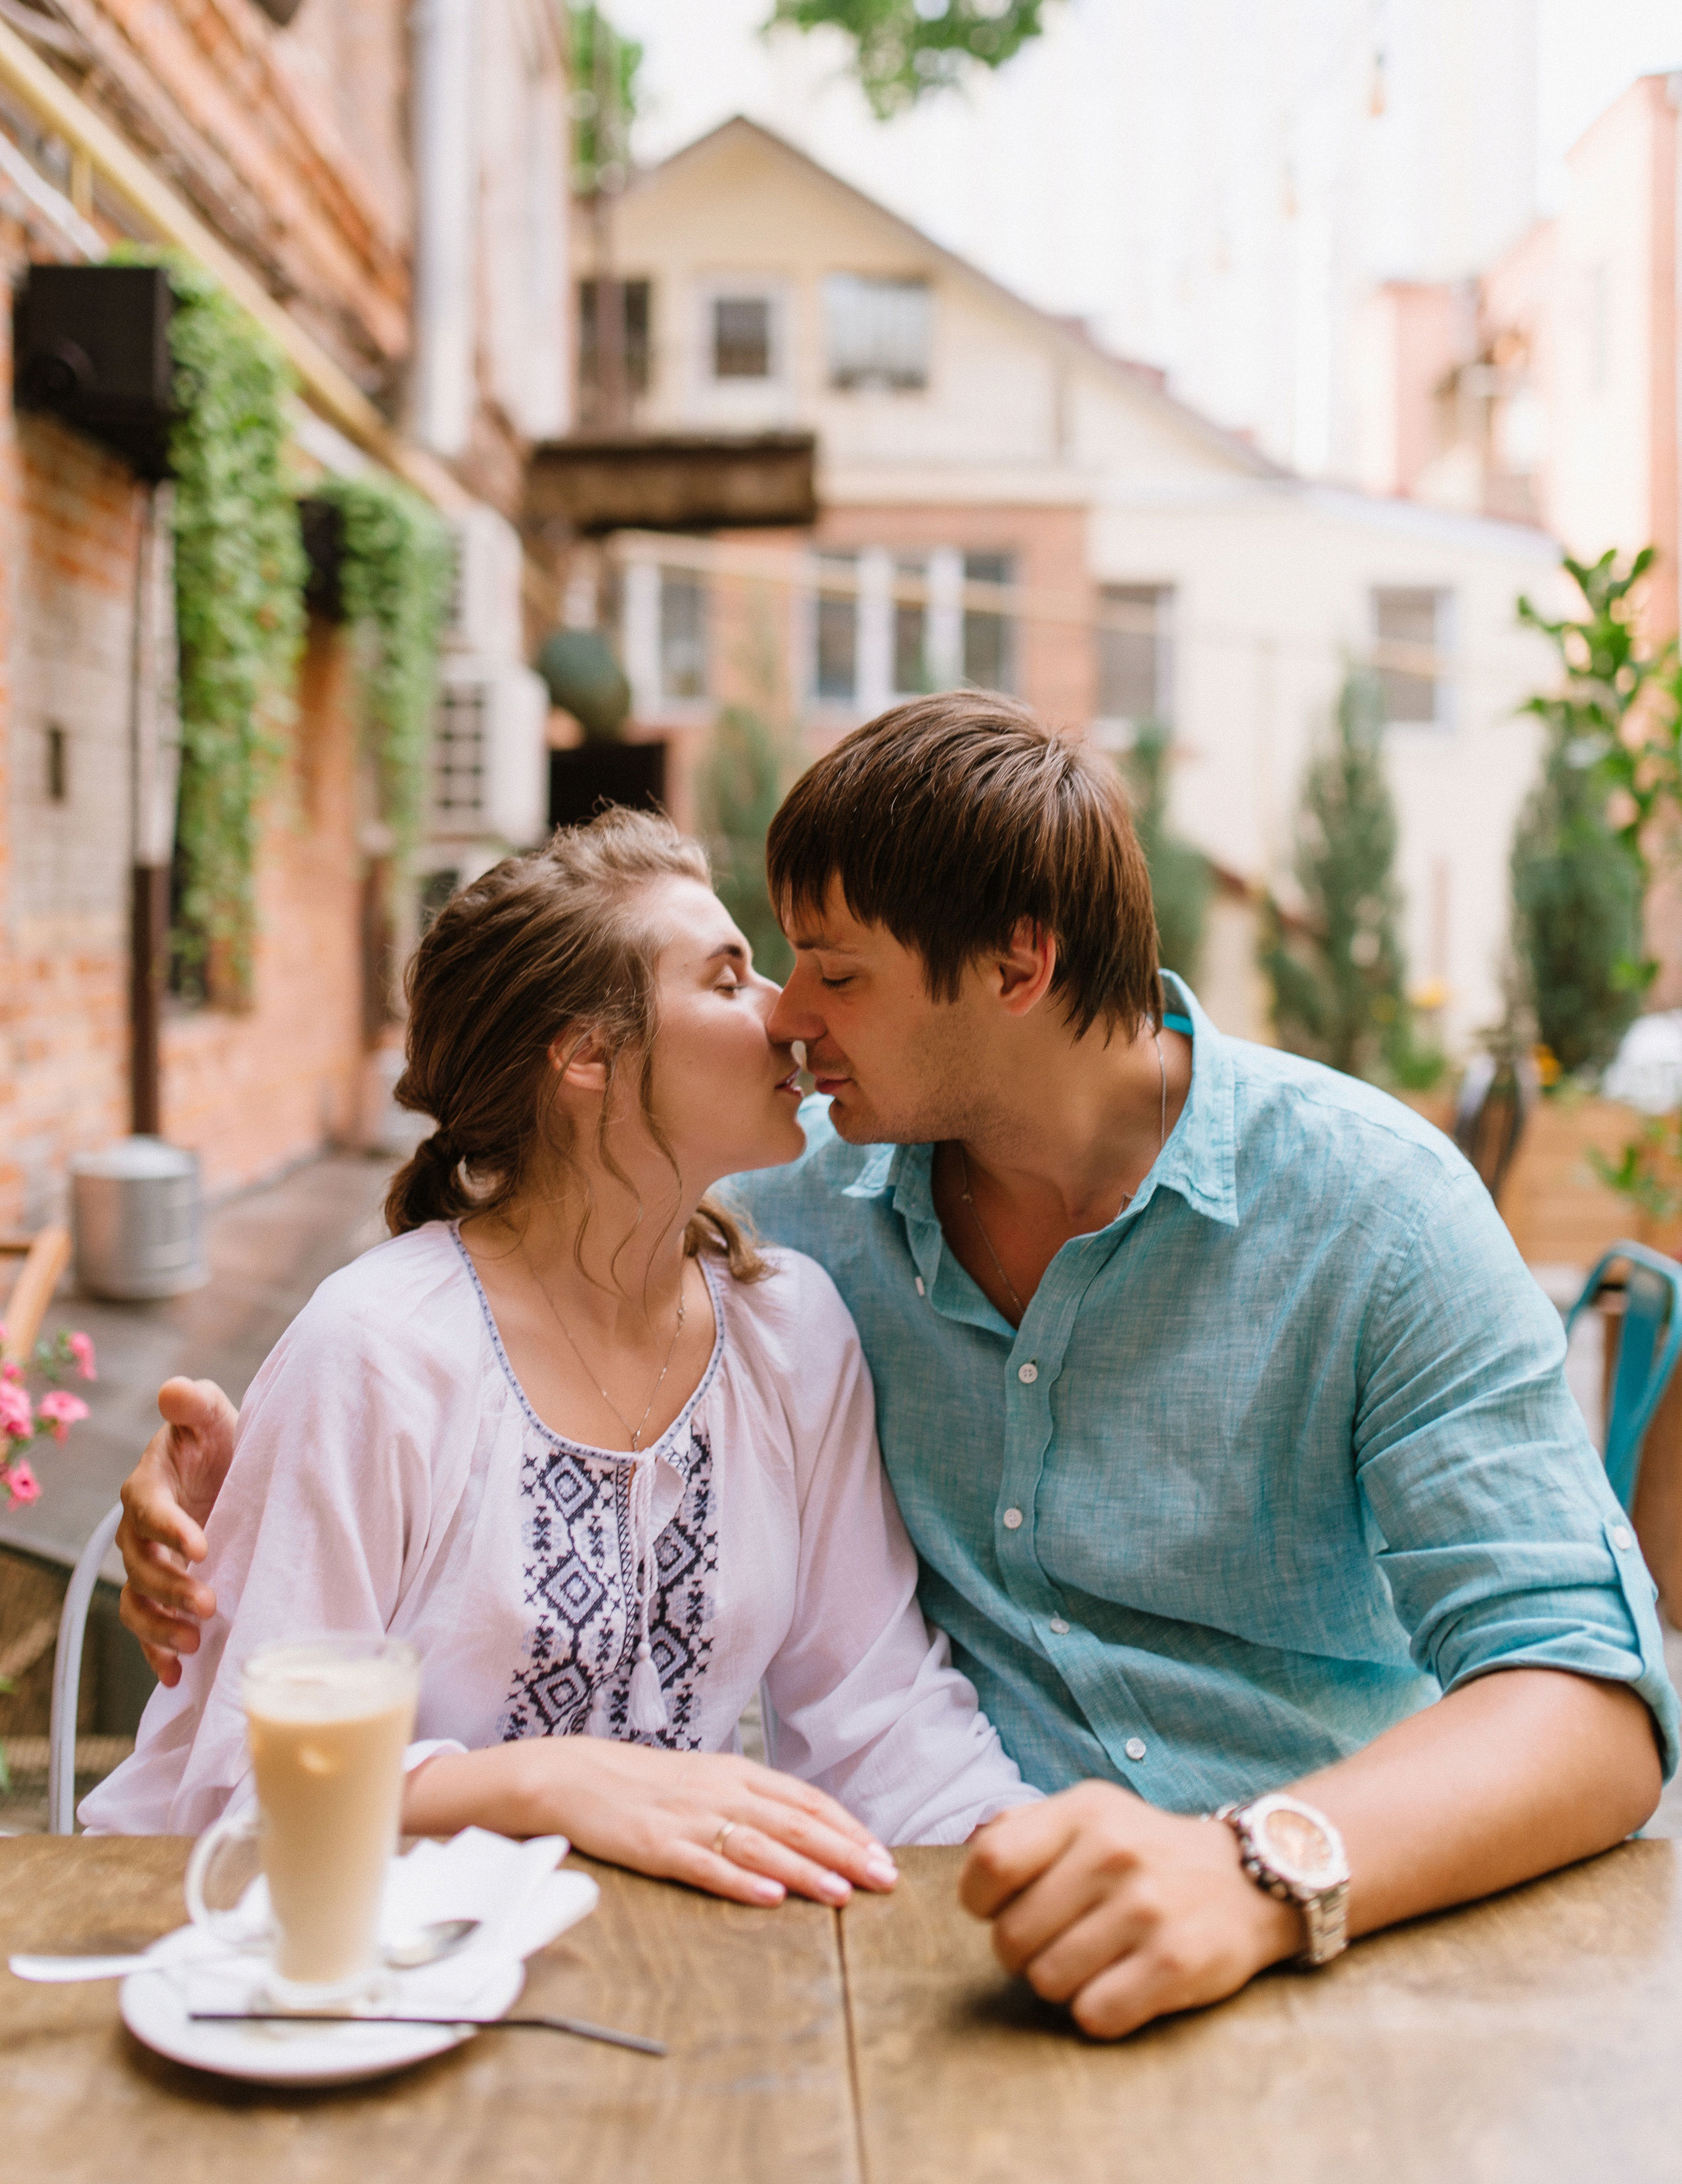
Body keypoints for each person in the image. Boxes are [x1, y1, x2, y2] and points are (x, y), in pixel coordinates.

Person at [116, 695, 1677, 2039]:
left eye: (829, 971)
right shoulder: (777, 1230)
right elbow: (483, 1314)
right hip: (907, 1940)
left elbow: (1592, 1695)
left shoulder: (1372, 1214)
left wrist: (1249, 1870)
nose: (791, 1024)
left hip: (1335, 1918)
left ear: (1014, 967)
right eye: (753, 973)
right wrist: (217, 1515)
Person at [83, 809, 1035, 1907]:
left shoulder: (793, 1334)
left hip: (640, 1975)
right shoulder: (379, 1354)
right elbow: (241, 1798)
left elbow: (878, 1717)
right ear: (587, 1054)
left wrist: (1027, 1847)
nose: (790, 1018)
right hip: (291, 1969)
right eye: (729, 982)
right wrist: (542, 1782)